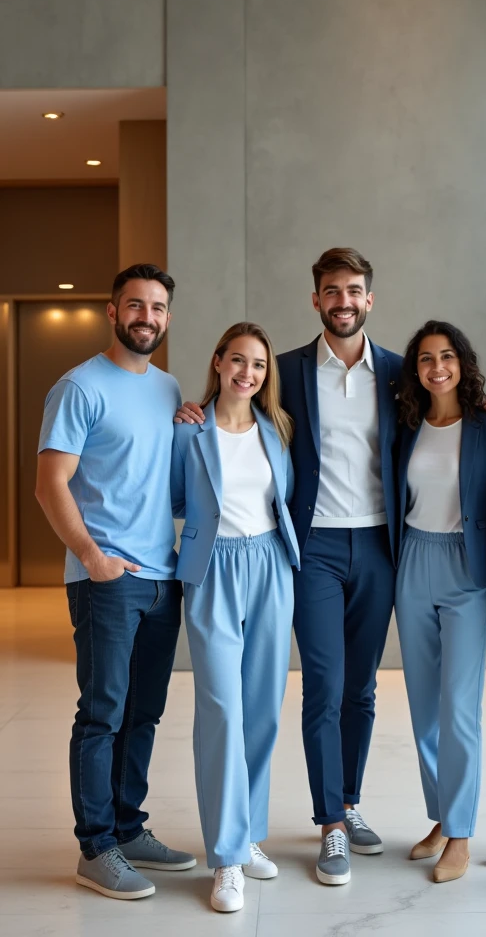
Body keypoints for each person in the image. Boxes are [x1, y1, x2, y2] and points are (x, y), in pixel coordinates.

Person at [175, 247, 402, 886]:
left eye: (354, 290)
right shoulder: (290, 376)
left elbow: (440, 419)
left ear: (369, 298)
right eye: (332, 290)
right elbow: (172, 491)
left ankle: (331, 809)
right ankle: (315, 825)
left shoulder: (395, 373)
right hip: (304, 552)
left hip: (353, 549)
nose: (344, 301)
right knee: (297, 690)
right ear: (316, 299)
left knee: (348, 690)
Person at [35, 264, 195, 901]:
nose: (146, 317)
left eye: (157, 307)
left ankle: (129, 828)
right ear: (112, 311)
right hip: (108, 579)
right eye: (135, 305)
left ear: (167, 317)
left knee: (144, 712)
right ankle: (96, 846)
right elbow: (49, 484)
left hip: (163, 577)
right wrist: (93, 558)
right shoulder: (78, 387)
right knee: (102, 712)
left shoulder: (167, 387)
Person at [170, 322, 299, 913]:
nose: (249, 373)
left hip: (271, 563)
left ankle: (247, 837)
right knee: (221, 710)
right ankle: (224, 859)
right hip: (212, 568)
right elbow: (173, 497)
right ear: (219, 362)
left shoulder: (277, 430)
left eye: (259, 366)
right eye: (239, 361)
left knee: (261, 711)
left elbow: (284, 497)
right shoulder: (188, 430)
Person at [395, 321, 486, 884]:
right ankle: (442, 816)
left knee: (459, 707)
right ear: (415, 369)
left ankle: (460, 833)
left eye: (447, 357)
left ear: (462, 362)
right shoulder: (407, 424)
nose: (437, 367)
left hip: (467, 568)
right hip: (413, 561)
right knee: (423, 706)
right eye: (426, 359)